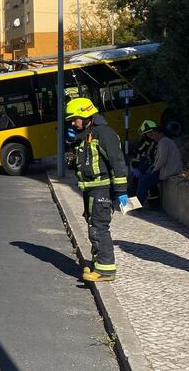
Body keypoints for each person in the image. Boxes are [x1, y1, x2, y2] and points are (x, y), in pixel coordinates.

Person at [65, 97, 128, 283]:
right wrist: (71, 145)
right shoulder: (86, 133)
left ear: (85, 115)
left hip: (101, 189)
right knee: (93, 226)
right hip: (90, 189)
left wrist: (121, 191)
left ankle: (106, 270)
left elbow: (117, 162)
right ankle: (98, 263)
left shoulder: (104, 133)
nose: (71, 122)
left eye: (74, 118)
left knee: (99, 228)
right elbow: (79, 163)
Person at [134, 124, 183, 207]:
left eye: (154, 134)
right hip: (168, 169)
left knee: (143, 181)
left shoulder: (163, 142)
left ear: (160, 133)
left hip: (168, 171)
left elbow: (162, 160)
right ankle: (150, 203)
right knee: (145, 178)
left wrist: (154, 170)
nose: (153, 137)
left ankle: (137, 206)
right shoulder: (165, 141)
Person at [128, 119, 159, 195]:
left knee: (149, 183)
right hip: (144, 166)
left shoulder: (158, 140)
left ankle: (154, 203)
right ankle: (133, 204)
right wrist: (135, 167)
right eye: (148, 133)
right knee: (135, 182)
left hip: (152, 166)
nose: (151, 134)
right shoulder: (145, 142)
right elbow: (137, 152)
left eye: (152, 132)